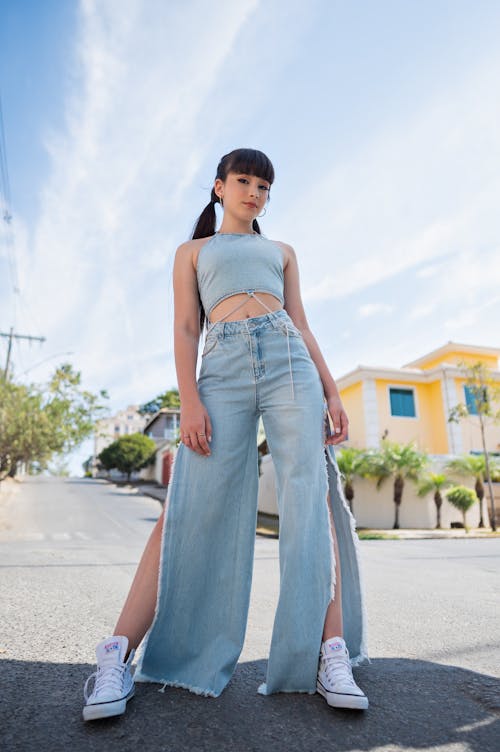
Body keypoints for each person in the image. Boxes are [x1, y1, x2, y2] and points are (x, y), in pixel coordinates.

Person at [82, 148, 370, 722]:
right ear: (219, 187)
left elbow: (303, 326)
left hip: (289, 362)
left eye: (264, 185)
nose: (255, 192)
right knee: (185, 507)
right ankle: (116, 654)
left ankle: (328, 651)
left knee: (308, 499)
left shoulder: (282, 252)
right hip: (223, 370)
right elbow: (187, 327)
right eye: (244, 180)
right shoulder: (192, 253)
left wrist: (333, 391)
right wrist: (189, 399)